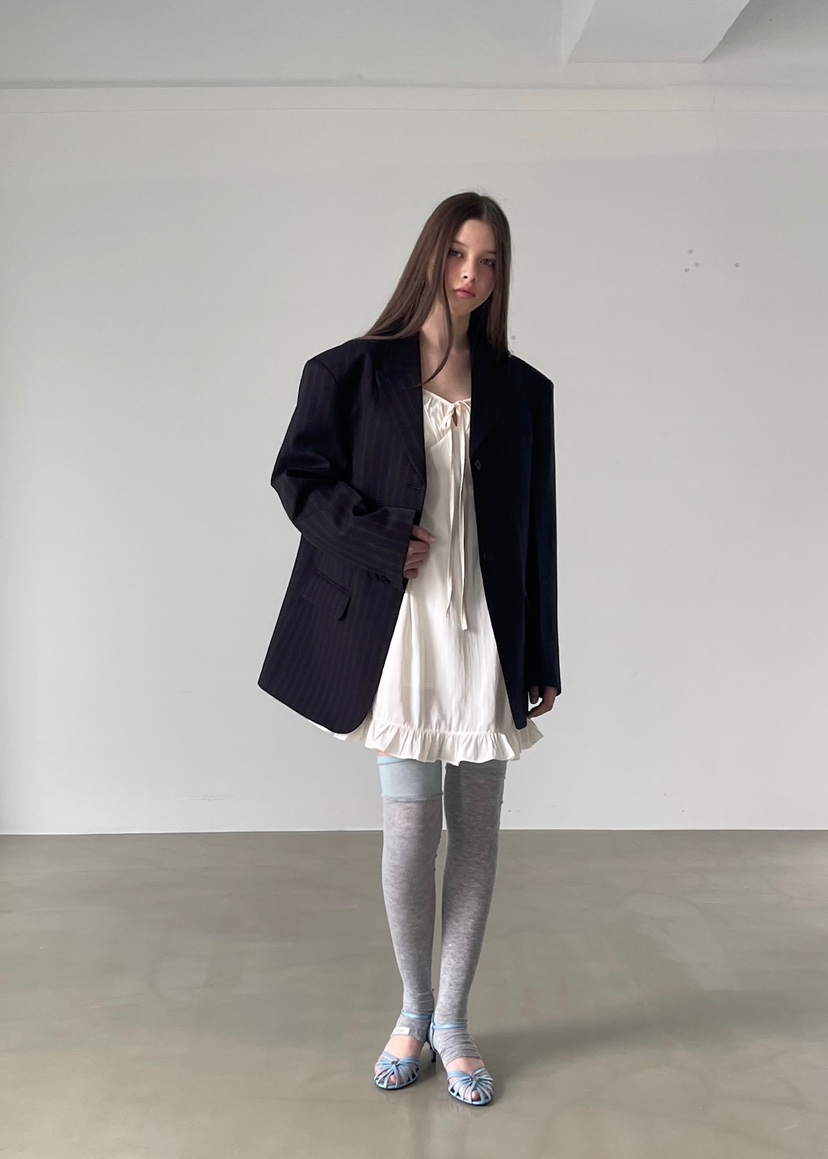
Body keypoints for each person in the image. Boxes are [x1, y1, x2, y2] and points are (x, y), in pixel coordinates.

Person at [258, 191, 560, 1106]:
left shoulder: (523, 390)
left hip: (487, 633)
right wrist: (382, 538)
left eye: (490, 260)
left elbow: (536, 530)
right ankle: (412, 1009)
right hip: (400, 632)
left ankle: (455, 1022)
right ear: (432, 254)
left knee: (477, 833)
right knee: (409, 829)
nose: (472, 275)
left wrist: (542, 653)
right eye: (459, 254)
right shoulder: (351, 371)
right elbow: (298, 478)